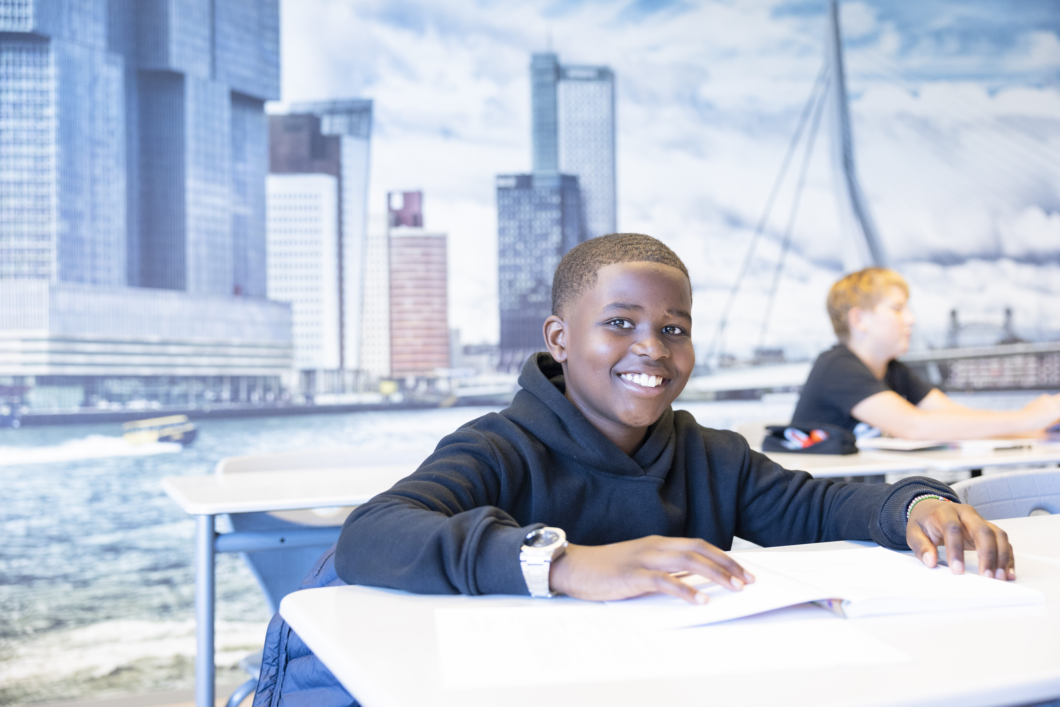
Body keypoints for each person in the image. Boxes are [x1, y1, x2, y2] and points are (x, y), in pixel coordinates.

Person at [253, 235, 1014, 707]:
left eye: (673, 328)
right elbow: (371, 535)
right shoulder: (498, 445)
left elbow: (819, 507)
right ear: (558, 338)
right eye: (619, 323)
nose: (651, 347)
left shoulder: (710, 454)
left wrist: (914, 503)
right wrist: (568, 563)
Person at [791, 267, 1060, 440]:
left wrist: (1036, 426)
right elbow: (913, 426)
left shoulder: (893, 370)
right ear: (859, 320)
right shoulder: (837, 368)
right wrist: (1027, 418)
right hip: (815, 519)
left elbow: (955, 416)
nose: (911, 319)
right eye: (897, 309)